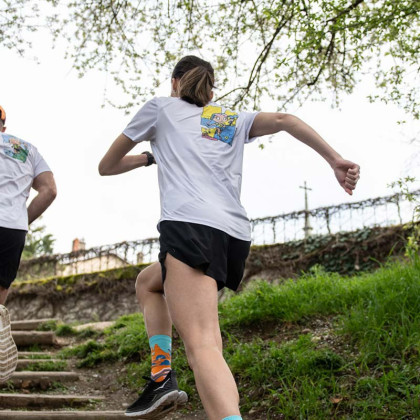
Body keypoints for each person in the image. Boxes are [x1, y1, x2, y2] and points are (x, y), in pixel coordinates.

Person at [99, 55, 360, 420]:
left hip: (189, 226)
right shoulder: (223, 120)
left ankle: (186, 392)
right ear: (208, 89)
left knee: (203, 346)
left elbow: (106, 166)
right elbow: (286, 121)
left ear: (175, 82)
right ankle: (161, 378)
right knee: (150, 284)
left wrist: (149, 158)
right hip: (231, 235)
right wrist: (335, 159)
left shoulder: (161, 109)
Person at [0, 105, 57, 383]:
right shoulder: (26, 149)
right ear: (4, 126)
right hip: (12, 228)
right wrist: (23, 220)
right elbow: (49, 190)